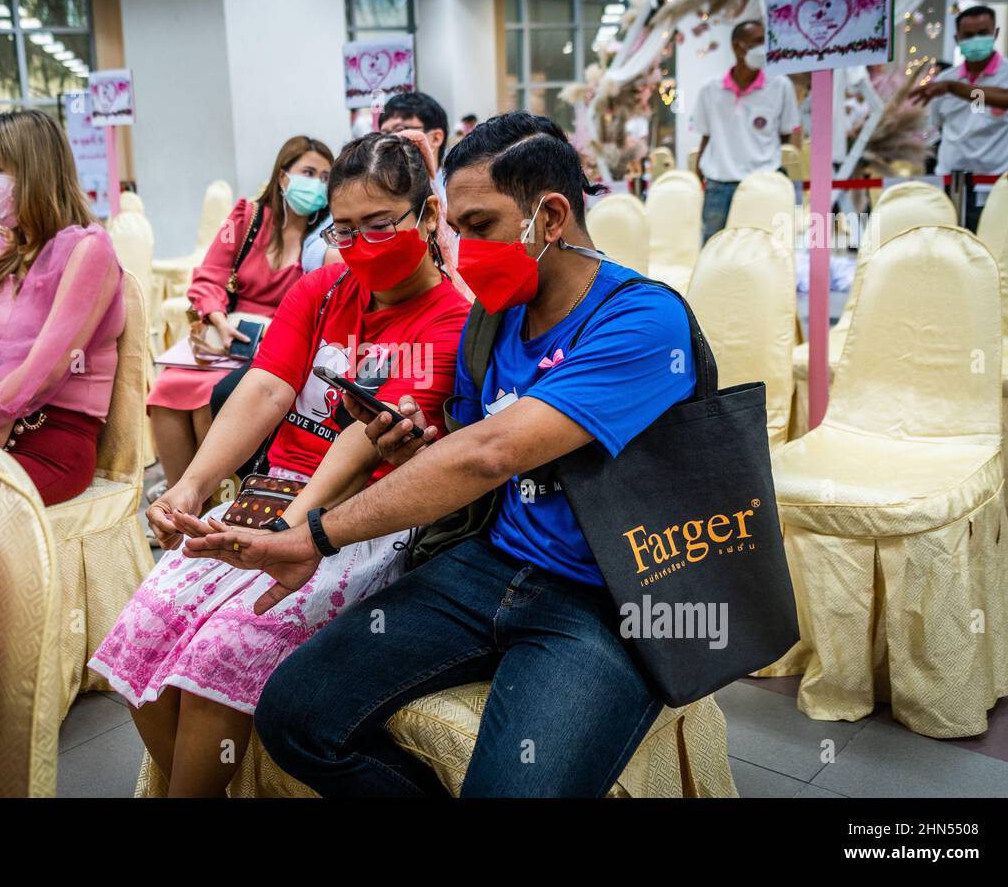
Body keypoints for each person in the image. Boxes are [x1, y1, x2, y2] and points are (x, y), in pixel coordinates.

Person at [183, 113, 698, 798]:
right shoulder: (497, 312)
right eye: (456, 226)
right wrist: (406, 448)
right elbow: (461, 449)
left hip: (605, 595)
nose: (462, 247)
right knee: (295, 715)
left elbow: (491, 453)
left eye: (481, 225)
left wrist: (316, 535)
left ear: (549, 217)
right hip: (489, 563)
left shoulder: (642, 319)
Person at [90, 130, 471, 798]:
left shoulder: (452, 319)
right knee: (144, 628)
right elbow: (266, 387)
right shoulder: (324, 289)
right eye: (345, 230)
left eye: (379, 225)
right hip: (269, 499)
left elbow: (366, 439)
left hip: (358, 521)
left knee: (219, 653)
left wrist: (291, 531)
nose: (359, 247)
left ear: (429, 216)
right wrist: (191, 486)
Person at [0, 109, 125, 507]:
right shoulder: (6, 249)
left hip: (50, 442)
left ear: (34, 172)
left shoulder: (88, 248)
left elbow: (48, 363)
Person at [150, 135, 334, 490]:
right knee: (167, 389)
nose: (317, 184)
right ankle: (178, 498)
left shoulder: (322, 238)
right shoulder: (248, 219)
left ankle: (217, 500)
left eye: (326, 177)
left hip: (279, 340)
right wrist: (217, 318)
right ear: (283, 178)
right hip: (228, 334)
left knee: (214, 395)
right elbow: (209, 277)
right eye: (308, 172)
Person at [909, 5, 1008, 224]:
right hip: (951, 183)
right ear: (957, 38)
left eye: (983, 33)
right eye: (969, 35)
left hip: (999, 182)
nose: (976, 40)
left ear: (996, 33)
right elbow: (937, 127)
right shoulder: (944, 79)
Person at [691, 20, 802, 242]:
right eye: (757, 42)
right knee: (714, 248)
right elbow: (706, 137)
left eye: (765, 41)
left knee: (766, 247)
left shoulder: (780, 86)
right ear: (737, 46)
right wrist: (699, 176)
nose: (763, 48)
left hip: (764, 182)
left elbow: (786, 135)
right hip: (719, 184)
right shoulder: (710, 90)